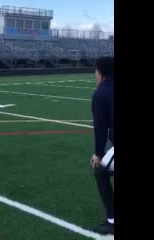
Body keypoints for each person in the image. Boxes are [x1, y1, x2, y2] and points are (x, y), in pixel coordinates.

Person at [90, 57, 114, 235]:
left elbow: (100, 128)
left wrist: (98, 153)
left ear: (101, 73)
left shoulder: (101, 93)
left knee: (101, 171)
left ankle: (112, 220)